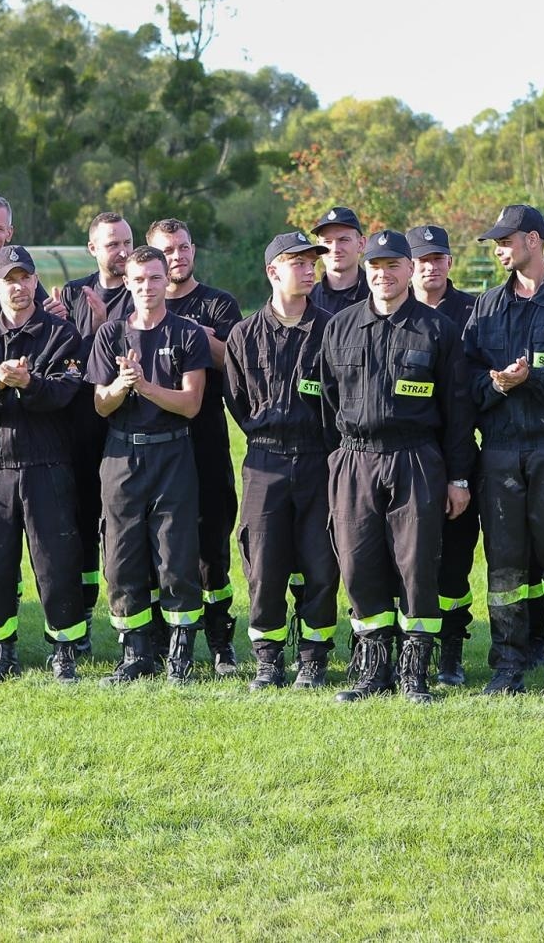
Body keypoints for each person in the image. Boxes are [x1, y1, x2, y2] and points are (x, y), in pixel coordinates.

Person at [320, 230, 474, 704]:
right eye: (375, 268)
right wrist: (339, 464)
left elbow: (458, 410)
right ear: (365, 272)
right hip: (355, 459)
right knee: (359, 563)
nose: (383, 275)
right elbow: (328, 401)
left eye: (392, 266)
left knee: (416, 565)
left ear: (409, 270)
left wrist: (458, 477)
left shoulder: (437, 330)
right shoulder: (340, 327)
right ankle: (372, 670)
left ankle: (415, 673)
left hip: (416, 458)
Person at [465, 205, 544, 700]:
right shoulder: (486, 306)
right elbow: (465, 381)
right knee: (505, 567)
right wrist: (496, 384)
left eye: (506, 240)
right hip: (498, 451)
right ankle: (509, 662)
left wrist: (535, 379)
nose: (498, 249)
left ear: (534, 240)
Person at [0, 244, 87, 683]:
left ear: (36, 281)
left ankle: (64, 651)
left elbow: (64, 393)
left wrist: (29, 383)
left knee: (56, 563)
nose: (18, 287)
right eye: (8, 280)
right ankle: (0, 652)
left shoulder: (61, 335)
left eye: (25, 277)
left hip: (47, 464)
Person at [87, 245, 211, 684]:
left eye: (154, 278)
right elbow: (101, 406)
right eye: (137, 280)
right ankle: (136, 654)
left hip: (172, 452)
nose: (146, 287)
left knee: (176, 556)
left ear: (165, 280)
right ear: (127, 282)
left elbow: (191, 404)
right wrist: (122, 385)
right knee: (121, 558)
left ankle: (180, 656)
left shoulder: (187, 334)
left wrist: (145, 385)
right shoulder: (110, 335)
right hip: (121, 456)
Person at [223, 231, 339, 690]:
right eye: (298, 262)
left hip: (320, 460)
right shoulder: (243, 335)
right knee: (263, 563)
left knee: (321, 562)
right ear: (273, 271)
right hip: (265, 462)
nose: (310, 269)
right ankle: (268, 658)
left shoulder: (333, 329)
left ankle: (313, 658)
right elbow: (236, 400)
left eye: (313, 262)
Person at [145, 218, 244, 674]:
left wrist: (192, 333)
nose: (177, 257)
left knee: (211, 550)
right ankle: (164, 639)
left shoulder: (217, 305)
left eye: (184, 247)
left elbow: (235, 362)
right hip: (151, 448)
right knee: (157, 548)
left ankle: (221, 640)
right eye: (167, 251)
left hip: (204, 441)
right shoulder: (140, 307)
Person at [56, 212, 137, 656]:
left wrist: (106, 324)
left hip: (124, 434)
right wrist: (73, 327)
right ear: (93, 249)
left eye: (127, 241)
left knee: (123, 534)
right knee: (78, 531)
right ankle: (81, 622)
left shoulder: (142, 291)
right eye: (112, 244)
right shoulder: (70, 295)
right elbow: (64, 360)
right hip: (76, 436)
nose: (121, 251)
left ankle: (136, 631)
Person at [409, 224, 479, 685]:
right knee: (409, 558)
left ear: (450, 262)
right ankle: (404, 649)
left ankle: (451, 649)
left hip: (457, 445)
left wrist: (460, 474)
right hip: (406, 453)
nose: (431, 266)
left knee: (454, 558)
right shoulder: (394, 313)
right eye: (422, 260)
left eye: (439, 257)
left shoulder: (475, 310)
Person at [307, 206, 369, 316]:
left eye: (344, 240)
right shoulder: (307, 300)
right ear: (318, 245)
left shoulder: (377, 296)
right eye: (327, 241)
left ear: (361, 244)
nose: (335, 249)